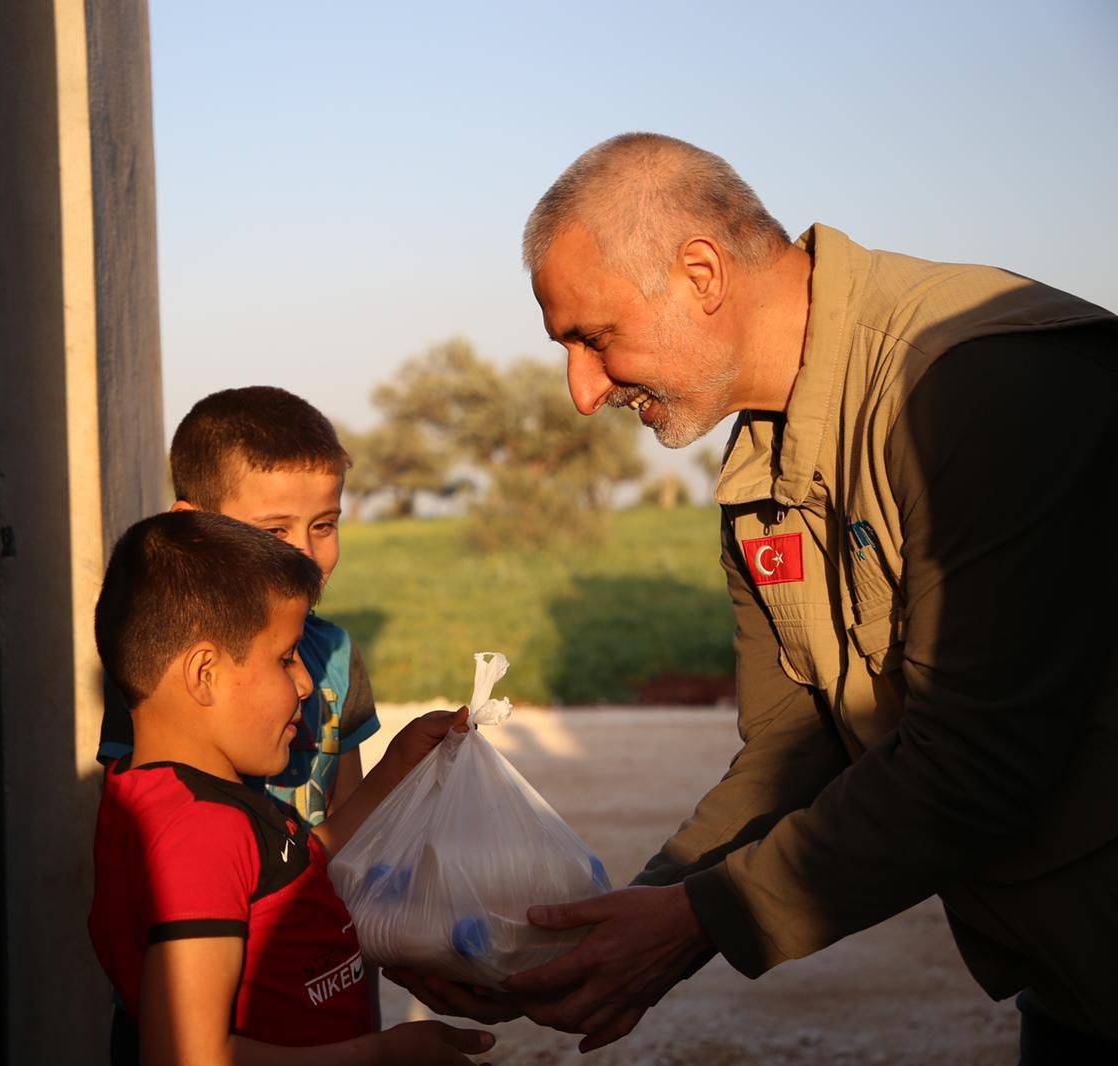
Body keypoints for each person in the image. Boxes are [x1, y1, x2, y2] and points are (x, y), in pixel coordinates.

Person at [387, 132, 1117, 1061]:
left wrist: (695, 921)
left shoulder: (973, 382)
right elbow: (795, 744)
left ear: (701, 273)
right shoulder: (759, 470)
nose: (582, 392)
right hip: (1075, 988)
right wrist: (620, 926)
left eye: (593, 338)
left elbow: (980, 761)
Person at [87, 510, 496, 1064]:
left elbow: (291, 872)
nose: (305, 682)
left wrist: (397, 767)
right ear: (204, 673)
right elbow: (188, 1055)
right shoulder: (199, 833)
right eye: (285, 659)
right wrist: (380, 1055)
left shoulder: (185, 800)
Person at [98, 386, 381, 830]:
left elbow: (353, 825)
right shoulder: (160, 658)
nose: (306, 555)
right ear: (192, 527)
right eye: (275, 532)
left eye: (324, 525)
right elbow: (137, 827)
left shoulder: (336, 654)